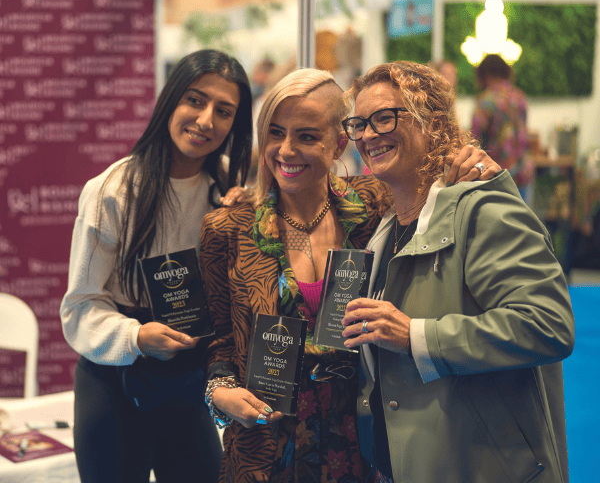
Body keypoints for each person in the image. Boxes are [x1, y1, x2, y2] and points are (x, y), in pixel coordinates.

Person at [199, 68, 500, 483]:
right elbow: (218, 339)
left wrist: (475, 162)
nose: (286, 151)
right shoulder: (227, 228)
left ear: (340, 142)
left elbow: (435, 168)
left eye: (306, 136)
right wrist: (220, 392)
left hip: (361, 443)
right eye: (274, 133)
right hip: (265, 451)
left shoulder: (376, 205)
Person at [340, 61, 575, 483]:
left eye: (385, 118)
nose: (368, 135)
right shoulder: (385, 229)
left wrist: (415, 335)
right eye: (359, 124)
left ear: (432, 122)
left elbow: (547, 324)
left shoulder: (482, 209)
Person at [60, 49, 253, 483]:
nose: (205, 120)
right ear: (170, 102)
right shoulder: (113, 190)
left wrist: (246, 222)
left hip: (189, 379)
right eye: (194, 100)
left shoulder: (228, 192)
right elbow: (79, 309)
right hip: (115, 381)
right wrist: (135, 337)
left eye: (223, 112)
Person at [471, 53, 535, 199]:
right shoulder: (519, 97)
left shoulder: (485, 101)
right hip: (522, 169)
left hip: (496, 174)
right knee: (521, 219)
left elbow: (475, 141)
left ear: (484, 74)